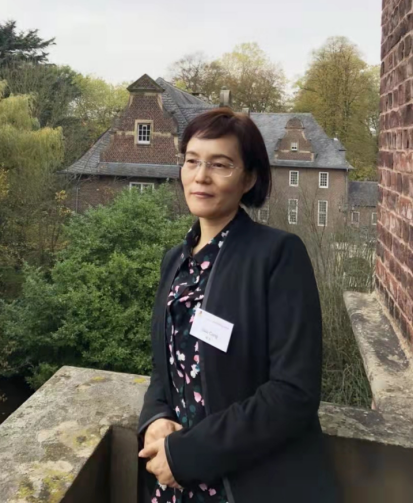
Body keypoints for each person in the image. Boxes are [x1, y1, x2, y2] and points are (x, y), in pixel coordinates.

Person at [137, 107, 338, 503]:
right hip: (174, 483)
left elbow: (293, 393)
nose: (201, 176)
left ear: (249, 178)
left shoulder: (278, 255)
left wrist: (188, 453)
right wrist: (155, 418)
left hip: (248, 485)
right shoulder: (174, 261)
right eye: (192, 161)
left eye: (220, 164)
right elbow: (165, 368)